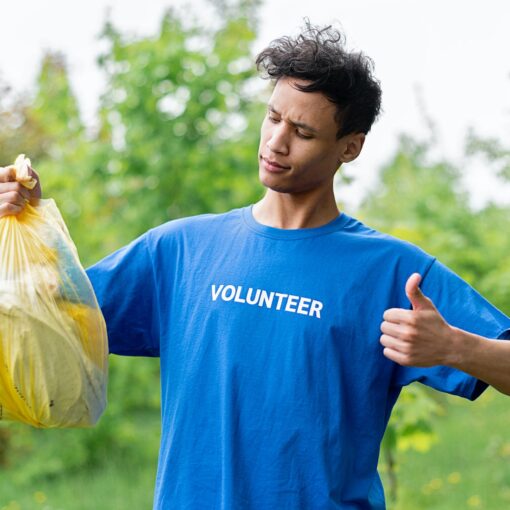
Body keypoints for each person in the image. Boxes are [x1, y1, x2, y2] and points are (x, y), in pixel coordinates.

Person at [1, 23, 510, 510]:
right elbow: (42, 308)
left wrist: (454, 346)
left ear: (349, 147)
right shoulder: (180, 249)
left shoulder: (392, 271)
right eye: (273, 118)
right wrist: (27, 224)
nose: (276, 142)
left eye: (303, 131)